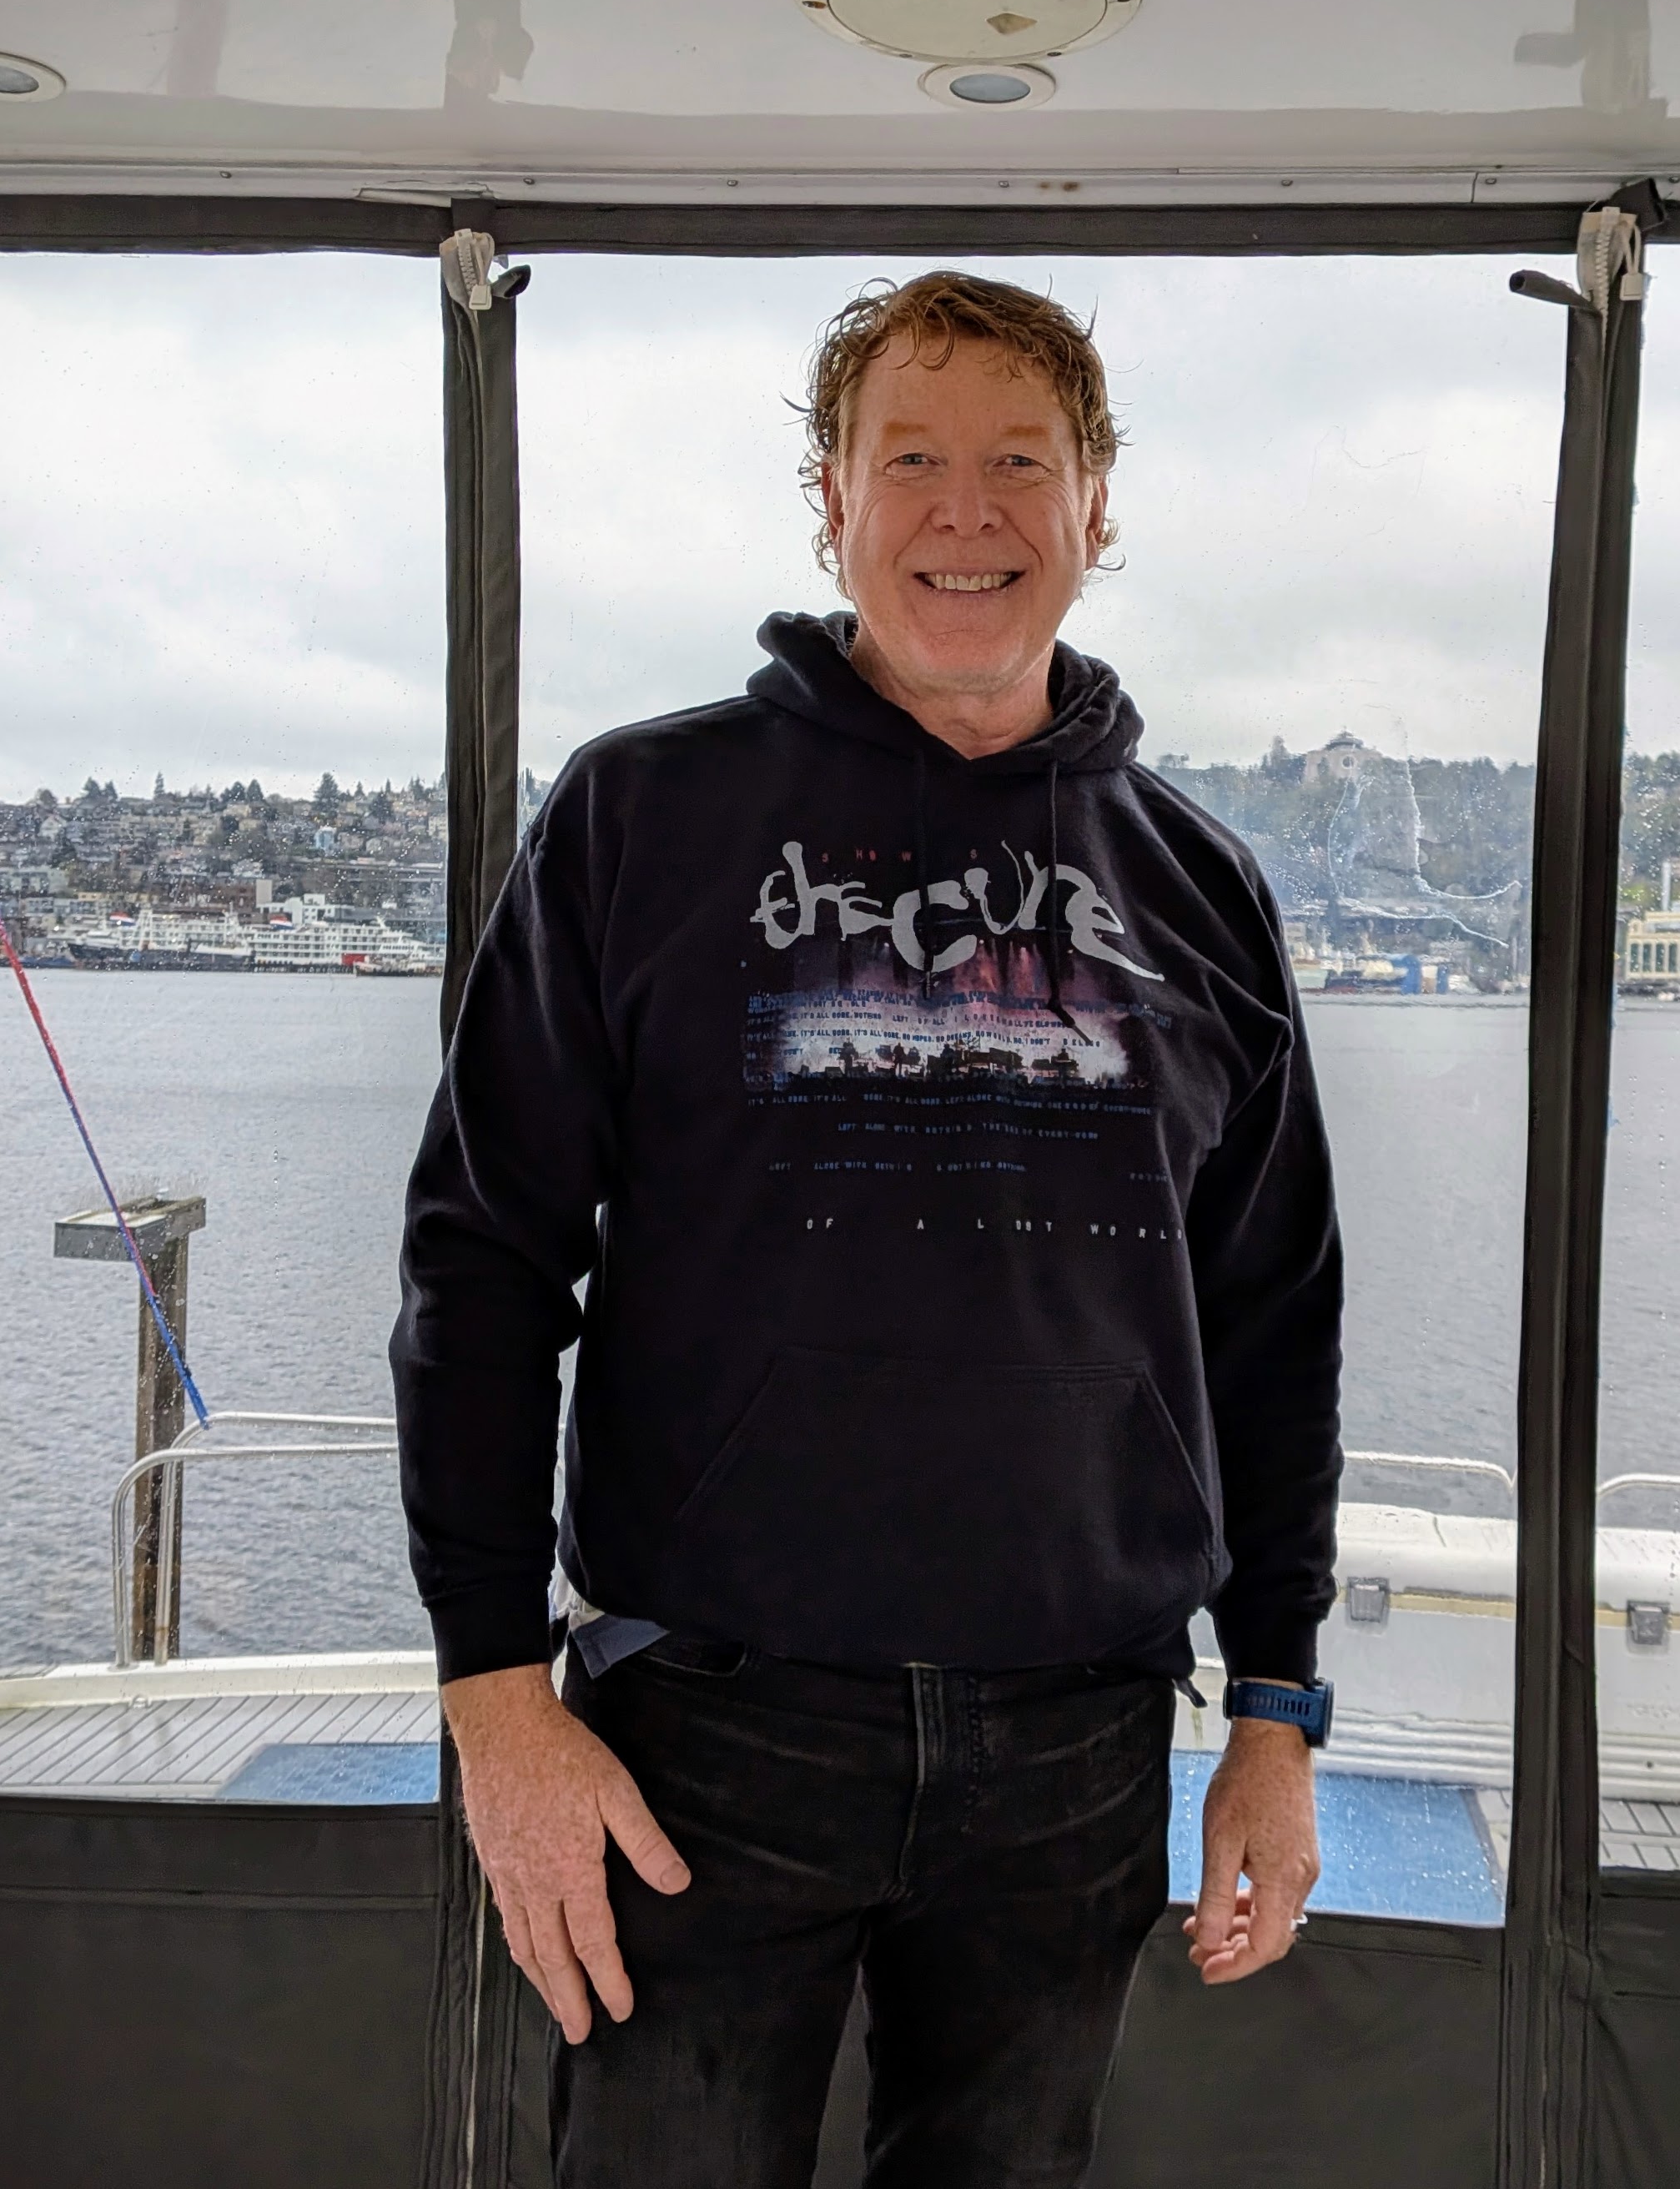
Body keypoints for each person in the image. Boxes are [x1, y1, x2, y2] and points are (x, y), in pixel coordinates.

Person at [392, 269, 1345, 2187]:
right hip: (706, 1735)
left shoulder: (1201, 889)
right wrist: (496, 1695)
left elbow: (1269, 1323)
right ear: (828, 502)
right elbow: (482, 1266)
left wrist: (1273, 1707)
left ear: (1097, 511)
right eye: (907, 456)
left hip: (1076, 1744)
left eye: (1020, 460)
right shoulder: (636, 817)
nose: (964, 509)